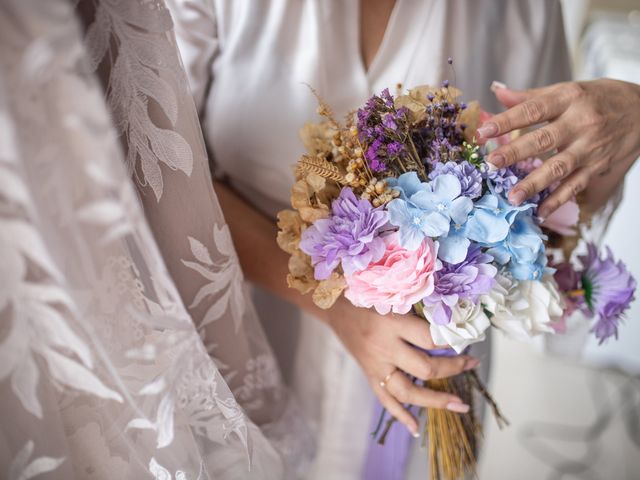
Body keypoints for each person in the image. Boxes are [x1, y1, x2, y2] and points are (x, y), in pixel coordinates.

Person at [168, 1, 640, 478]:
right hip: (242, 335)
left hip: (435, 367)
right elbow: (159, 180)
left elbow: (551, 206)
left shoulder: (523, 10)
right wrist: (335, 307)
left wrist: (630, 119)